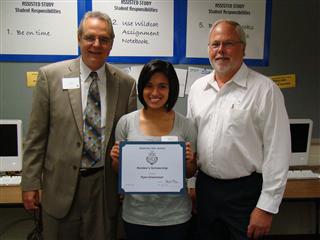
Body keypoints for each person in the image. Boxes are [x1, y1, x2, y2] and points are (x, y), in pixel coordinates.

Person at [21, 11, 137, 240]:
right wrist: (30, 183)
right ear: (79, 39)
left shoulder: (126, 84)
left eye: (104, 39)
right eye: (90, 37)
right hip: (59, 187)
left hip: (104, 189)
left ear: (111, 44)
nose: (96, 44)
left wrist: (129, 183)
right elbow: (36, 137)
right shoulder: (50, 76)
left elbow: (129, 142)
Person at [187, 19, 291, 240]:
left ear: (243, 48)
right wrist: (191, 184)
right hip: (206, 189)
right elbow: (192, 142)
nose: (220, 51)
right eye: (215, 44)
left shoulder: (266, 90)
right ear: (208, 49)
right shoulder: (198, 89)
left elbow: (278, 152)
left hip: (245, 194)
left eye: (228, 43)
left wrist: (266, 207)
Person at [110, 59, 197, 240]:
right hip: (136, 215)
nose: (155, 92)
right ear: (141, 88)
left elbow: (190, 173)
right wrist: (117, 159)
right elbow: (119, 171)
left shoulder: (186, 125)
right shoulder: (126, 123)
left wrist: (189, 162)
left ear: (171, 89)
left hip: (175, 217)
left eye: (162, 86)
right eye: (149, 86)